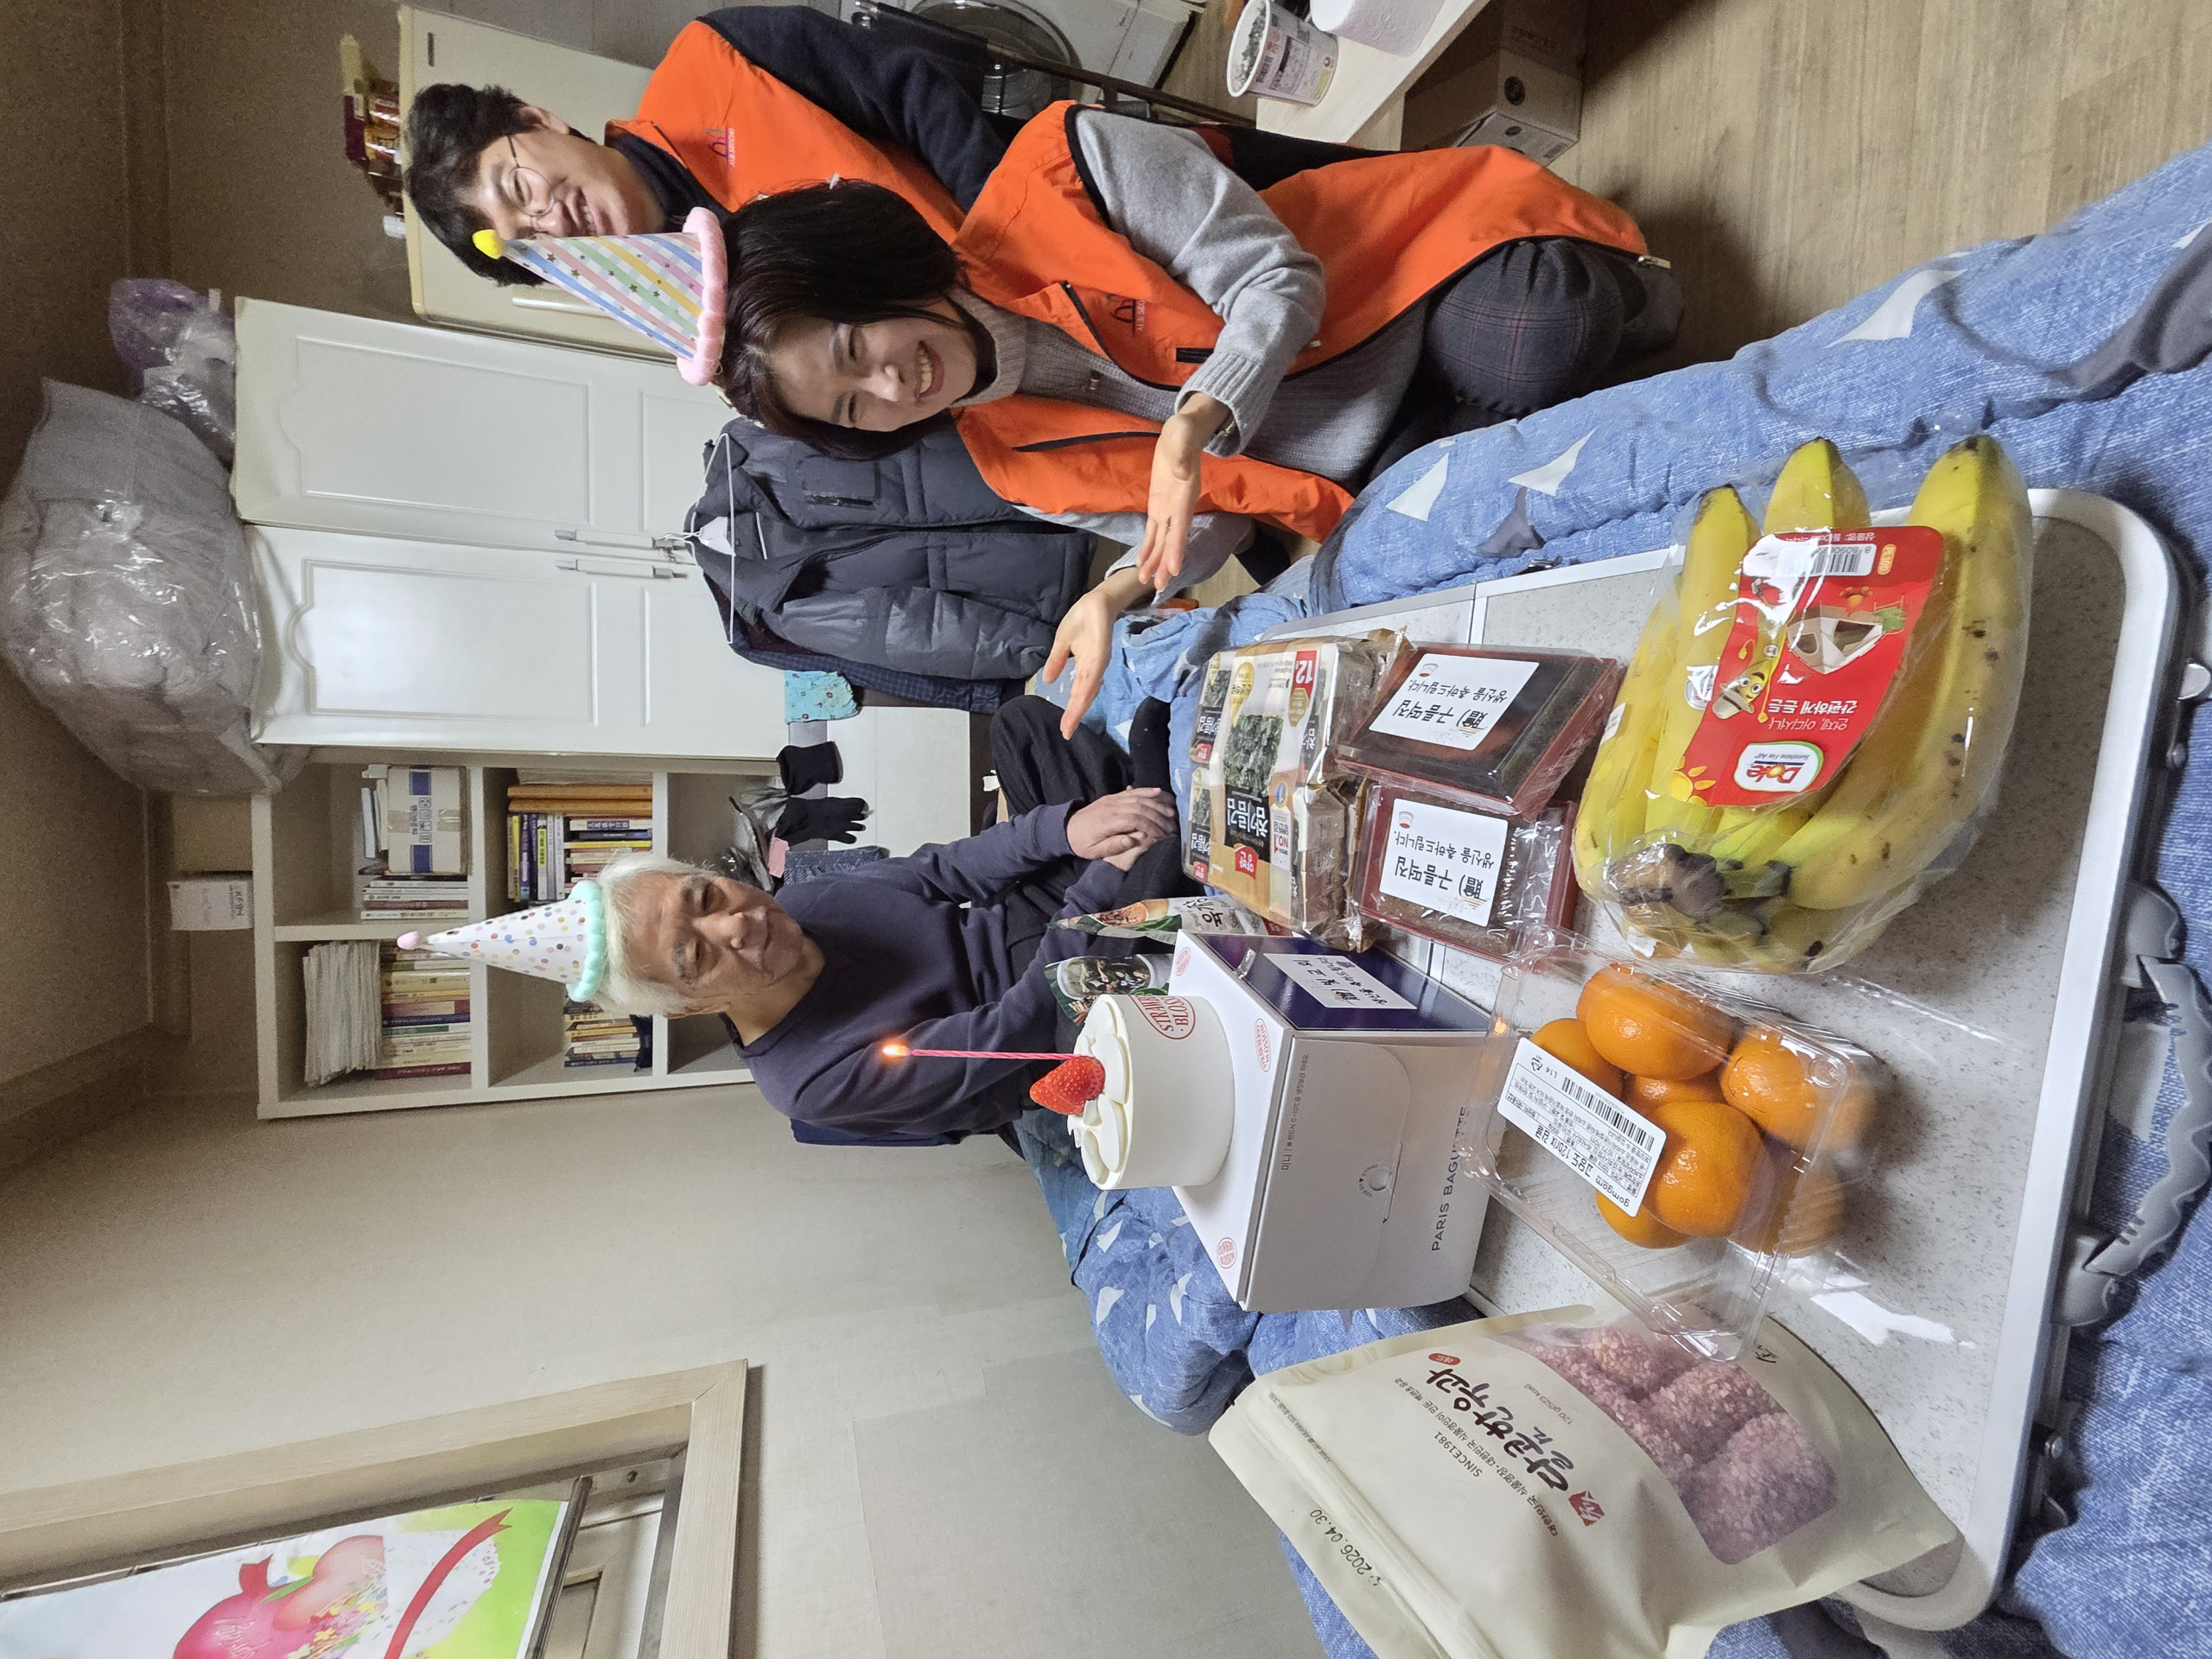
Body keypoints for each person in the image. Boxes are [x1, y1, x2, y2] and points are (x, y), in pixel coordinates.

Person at [715, 104, 1675, 732]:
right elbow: (1200, 525)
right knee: (1444, 571)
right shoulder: (1007, 461)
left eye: (855, 349)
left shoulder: (1064, 172)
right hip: (1362, 466)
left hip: (1402, 288)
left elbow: (1276, 279)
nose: (892, 388)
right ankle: (1528, 410)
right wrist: (1116, 594)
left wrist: (1194, 421)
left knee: (1538, 332)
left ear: (868, 274)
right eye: (854, 408)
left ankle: (1614, 307)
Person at [398, 702, 1186, 1141]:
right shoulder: (807, 1080)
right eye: (695, 957)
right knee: (1130, 885)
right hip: (1047, 1018)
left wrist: (1067, 832)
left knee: (1021, 725)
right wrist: (1093, 887)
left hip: (1022, 922)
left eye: (705, 898)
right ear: (690, 1007)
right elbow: (1018, 1029)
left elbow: (943, 871)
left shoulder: (798, 905)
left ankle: (1143, 822)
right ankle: (1152, 818)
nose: (735, 927)